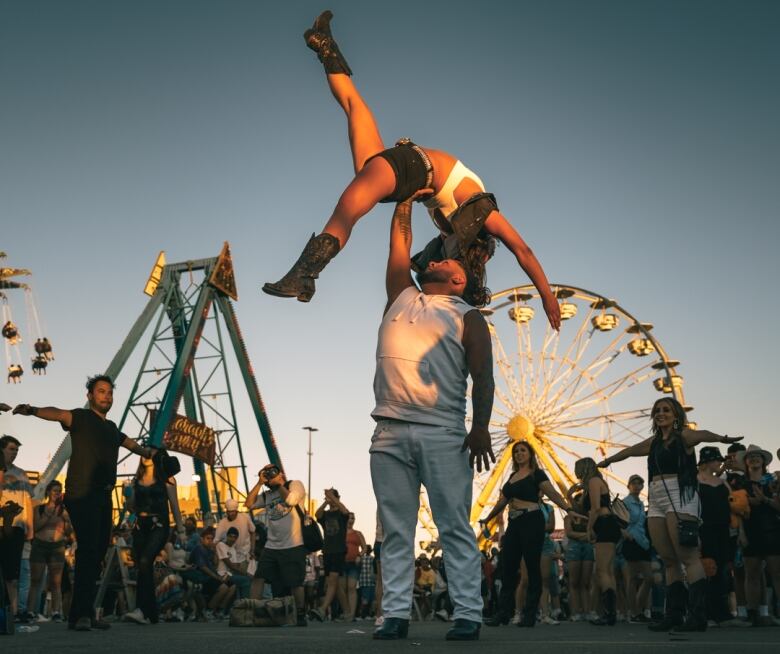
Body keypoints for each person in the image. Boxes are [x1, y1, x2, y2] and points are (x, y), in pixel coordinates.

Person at [263, 10, 561, 333]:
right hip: (416, 166)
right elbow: (523, 250)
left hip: (410, 169)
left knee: (355, 109)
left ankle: (325, 46)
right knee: (349, 207)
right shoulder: (483, 218)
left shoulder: (449, 238)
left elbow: (419, 262)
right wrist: (547, 296)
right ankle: (305, 274)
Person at [369, 195, 497, 642]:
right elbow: (398, 245)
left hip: (443, 432)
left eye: (442, 260)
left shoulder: (469, 317)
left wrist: (479, 426)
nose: (432, 260)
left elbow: (483, 376)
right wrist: (403, 198)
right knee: (396, 531)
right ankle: (396, 616)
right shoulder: (402, 295)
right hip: (387, 431)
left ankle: (468, 614)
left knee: (454, 526)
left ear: (459, 277)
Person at [12, 374, 157, 631]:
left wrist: (150, 453)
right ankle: (81, 616)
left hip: (103, 495)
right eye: (101, 392)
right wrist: (32, 410)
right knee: (89, 549)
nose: (107, 396)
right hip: (82, 494)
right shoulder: (80, 418)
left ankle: (86, 611)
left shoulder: (112, 428)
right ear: (91, 395)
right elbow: (57, 413)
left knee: (98, 551)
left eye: (110, 393)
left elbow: (131, 444)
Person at [598, 397, 742, 632]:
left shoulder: (683, 436)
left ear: (676, 415)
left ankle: (697, 615)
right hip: (656, 496)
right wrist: (608, 461)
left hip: (680, 493)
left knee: (688, 554)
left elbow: (703, 434)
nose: (660, 413)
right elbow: (630, 451)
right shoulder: (654, 442)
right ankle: (674, 614)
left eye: (666, 410)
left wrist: (722, 439)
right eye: (657, 410)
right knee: (667, 557)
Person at [482, 441, 571, 627]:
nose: (519, 453)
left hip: (532, 520)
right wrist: (487, 518)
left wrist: (569, 509)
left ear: (530, 454)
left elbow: (553, 493)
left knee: (532, 567)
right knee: (508, 567)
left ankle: (530, 614)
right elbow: (502, 501)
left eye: (523, 450)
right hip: (514, 522)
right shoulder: (513, 476)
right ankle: (504, 613)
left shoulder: (536, 474)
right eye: (516, 451)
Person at [122, 450, 185, 625]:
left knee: (144, 561)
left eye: (151, 452)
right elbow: (131, 507)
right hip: (140, 526)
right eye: (144, 451)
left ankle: (142, 610)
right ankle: (151, 613)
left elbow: (174, 505)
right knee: (143, 566)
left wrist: (181, 530)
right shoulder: (136, 481)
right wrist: (127, 497)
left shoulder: (167, 480)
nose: (146, 454)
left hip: (159, 525)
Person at [244, 463, 308, 626]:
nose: (271, 476)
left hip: (294, 543)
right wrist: (259, 483)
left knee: (295, 583)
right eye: (268, 474)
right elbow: (249, 504)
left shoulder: (295, 485)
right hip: (272, 546)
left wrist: (279, 484)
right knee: (259, 577)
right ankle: (252, 611)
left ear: (281, 474)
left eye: (274, 472)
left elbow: (291, 500)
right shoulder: (267, 495)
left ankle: (300, 614)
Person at [734, 444, 780, 626]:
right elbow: (737, 512)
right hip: (750, 530)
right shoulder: (740, 484)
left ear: (763, 461)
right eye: (750, 457)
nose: (753, 459)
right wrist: (741, 533)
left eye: (757, 456)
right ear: (745, 462)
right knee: (751, 573)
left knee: (777, 574)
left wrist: (765, 500)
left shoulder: (774, 482)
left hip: (772, 530)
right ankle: (752, 613)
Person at [574, 457, 620, 626]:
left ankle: (609, 613)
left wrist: (589, 528)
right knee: (607, 571)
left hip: (604, 524)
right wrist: (569, 494)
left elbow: (595, 508)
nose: (576, 472)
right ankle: (610, 613)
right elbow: (582, 509)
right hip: (608, 525)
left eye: (577, 468)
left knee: (602, 571)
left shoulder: (594, 481)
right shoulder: (595, 482)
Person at [26, 480, 71, 622]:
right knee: (36, 580)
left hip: (57, 546)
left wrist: (67, 520)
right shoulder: (39, 509)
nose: (57, 494)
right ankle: (31, 610)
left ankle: (56, 611)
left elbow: (69, 531)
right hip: (40, 545)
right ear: (48, 492)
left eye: (59, 491)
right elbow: (36, 527)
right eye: (54, 491)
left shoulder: (64, 510)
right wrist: (49, 514)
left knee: (56, 582)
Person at [0, 435, 33, 620]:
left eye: (17, 450)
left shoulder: (21, 473)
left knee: (13, 572)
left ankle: (13, 612)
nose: (15, 453)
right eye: (12, 449)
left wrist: (30, 527)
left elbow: (27, 500)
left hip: (16, 526)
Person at [309, 488, 350, 622]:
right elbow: (317, 514)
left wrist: (334, 498)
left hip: (338, 550)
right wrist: (326, 502)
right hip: (327, 551)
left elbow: (345, 512)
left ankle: (322, 609)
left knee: (332, 581)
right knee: (335, 584)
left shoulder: (341, 513)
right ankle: (347, 612)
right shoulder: (326, 514)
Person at [621, 474, 652, 623]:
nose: (636, 485)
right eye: (633, 483)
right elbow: (617, 521)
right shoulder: (625, 503)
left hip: (643, 541)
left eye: (639, 483)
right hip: (631, 540)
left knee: (649, 578)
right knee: (632, 578)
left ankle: (637, 609)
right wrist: (625, 533)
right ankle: (633, 612)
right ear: (628, 486)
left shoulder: (641, 503)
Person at [189, 527, 236, 620]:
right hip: (202, 578)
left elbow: (215, 564)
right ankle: (208, 610)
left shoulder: (209, 550)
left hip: (210, 577)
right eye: (207, 538)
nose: (210, 541)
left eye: (211, 539)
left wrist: (215, 551)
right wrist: (216, 577)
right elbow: (203, 567)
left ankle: (219, 610)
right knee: (223, 587)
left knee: (233, 587)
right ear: (201, 539)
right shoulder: (199, 549)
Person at [563, 486, 593, 621]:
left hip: (584, 547)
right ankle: (576, 612)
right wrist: (585, 536)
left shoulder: (590, 515)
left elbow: (591, 534)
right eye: (579, 501)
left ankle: (587, 611)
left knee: (585, 582)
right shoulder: (569, 517)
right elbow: (569, 533)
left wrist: (581, 536)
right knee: (574, 582)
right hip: (576, 547)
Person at [214, 498, 255, 563]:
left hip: (246, 553)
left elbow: (253, 532)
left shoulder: (245, 517)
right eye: (229, 512)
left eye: (232, 512)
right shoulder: (222, 523)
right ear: (226, 512)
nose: (230, 514)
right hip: (231, 556)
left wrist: (252, 550)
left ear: (237, 511)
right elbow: (216, 541)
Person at [343, 512, 366, 620]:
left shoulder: (358, 533)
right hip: (342, 563)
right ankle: (345, 612)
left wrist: (359, 555)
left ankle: (351, 614)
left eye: (353, 518)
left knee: (351, 587)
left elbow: (364, 548)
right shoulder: (341, 532)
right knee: (342, 589)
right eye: (349, 518)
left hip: (354, 563)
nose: (351, 520)